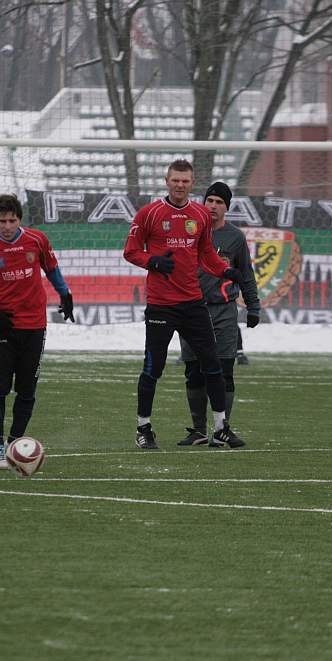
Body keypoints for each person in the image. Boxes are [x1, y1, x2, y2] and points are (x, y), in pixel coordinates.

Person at [122, 159, 245, 449]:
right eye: (175, 180)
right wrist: (152, 261)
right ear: (167, 180)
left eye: (185, 181)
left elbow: (206, 255)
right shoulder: (149, 213)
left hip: (193, 303)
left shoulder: (200, 215)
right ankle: (143, 429)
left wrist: (225, 270)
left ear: (192, 183)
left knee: (212, 365)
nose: (180, 185)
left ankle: (220, 428)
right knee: (154, 367)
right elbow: (130, 252)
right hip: (161, 305)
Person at [0, 194, 74, 468]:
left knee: (27, 390)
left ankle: (15, 443)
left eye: (12, 220)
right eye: (2, 221)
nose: (7, 226)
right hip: (4, 327)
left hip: (35, 325)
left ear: (20, 219)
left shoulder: (37, 240)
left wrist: (65, 294)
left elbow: (51, 268)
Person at [176, 181, 261, 447]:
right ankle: (199, 430)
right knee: (194, 371)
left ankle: (222, 429)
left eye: (219, 202)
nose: (213, 206)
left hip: (224, 311)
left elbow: (246, 274)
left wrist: (253, 305)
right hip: (191, 310)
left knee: (224, 371)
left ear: (227, 207)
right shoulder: (187, 230)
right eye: (210, 200)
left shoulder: (235, 237)